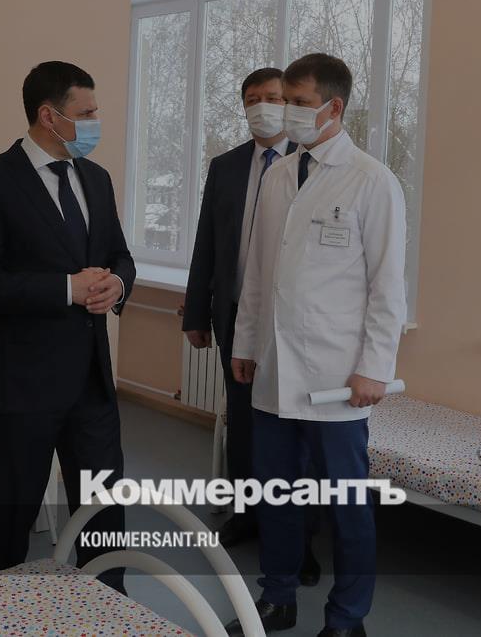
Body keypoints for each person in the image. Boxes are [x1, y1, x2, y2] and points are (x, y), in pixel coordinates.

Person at [226, 53, 407, 637]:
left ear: (334, 107)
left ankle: (348, 617)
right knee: (276, 493)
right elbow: (259, 273)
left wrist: (374, 367)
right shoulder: (279, 175)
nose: (287, 113)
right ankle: (277, 597)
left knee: (347, 505)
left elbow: (387, 287)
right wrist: (245, 342)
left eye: (300, 103)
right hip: (276, 368)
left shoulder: (371, 180)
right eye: (286, 102)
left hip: (336, 377)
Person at [0, 61, 134, 592]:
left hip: (91, 382)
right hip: (20, 384)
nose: (96, 122)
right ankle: (4, 610)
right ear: (49, 116)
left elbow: (119, 255)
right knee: (12, 521)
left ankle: (110, 605)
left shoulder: (96, 179)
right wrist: (65, 289)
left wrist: (117, 284)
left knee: (105, 512)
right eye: (87, 113)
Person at [181, 67, 319, 581]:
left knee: (293, 434)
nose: (264, 106)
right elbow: (206, 243)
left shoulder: (311, 164)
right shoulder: (226, 166)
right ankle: (247, 513)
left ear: (292, 104)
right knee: (242, 425)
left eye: (275, 98)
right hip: (236, 315)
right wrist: (197, 311)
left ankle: (300, 539)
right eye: (254, 98)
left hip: (294, 325)